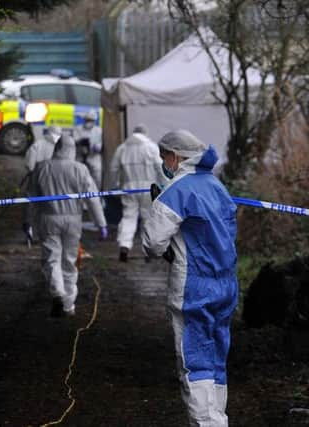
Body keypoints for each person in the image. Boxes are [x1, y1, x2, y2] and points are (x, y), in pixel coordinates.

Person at [141, 130, 238, 426]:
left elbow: (152, 242)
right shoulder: (216, 186)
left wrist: (158, 207)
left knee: (194, 362)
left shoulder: (177, 191)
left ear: (175, 156)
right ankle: (217, 419)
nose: (163, 163)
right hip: (225, 284)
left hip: (193, 287)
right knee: (216, 359)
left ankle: (207, 424)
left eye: (163, 157)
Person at [27, 134, 108, 317]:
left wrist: (28, 222)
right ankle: (69, 305)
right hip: (73, 220)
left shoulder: (42, 167)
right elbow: (92, 199)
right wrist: (101, 223)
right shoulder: (80, 169)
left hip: (48, 218)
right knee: (70, 261)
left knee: (51, 258)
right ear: (72, 150)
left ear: (56, 148)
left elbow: (31, 199)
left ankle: (58, 293)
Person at [109, 124, 164, 262]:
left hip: (129, 188)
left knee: (129, 217)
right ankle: (148, 250)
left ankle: (124, 245)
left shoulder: (122, 148)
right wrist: (164, 185)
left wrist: (114, 185)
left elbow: (114, 168)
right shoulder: (151, 147)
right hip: (148, 188)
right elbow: (160, 167)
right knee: (148, 219)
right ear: (145, 134)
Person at [73, 111, 103, 189]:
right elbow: (74, 140)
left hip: (93, 157)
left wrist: (95, 147)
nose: (88, 122)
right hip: (80, 157)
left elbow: (101, 144)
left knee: (97, 177)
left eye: (91, 120)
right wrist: (81, 142)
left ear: (94, 121)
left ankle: (96, 194)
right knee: (79, 178)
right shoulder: (78, 129)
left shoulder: (98, 131)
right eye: (87, 120)